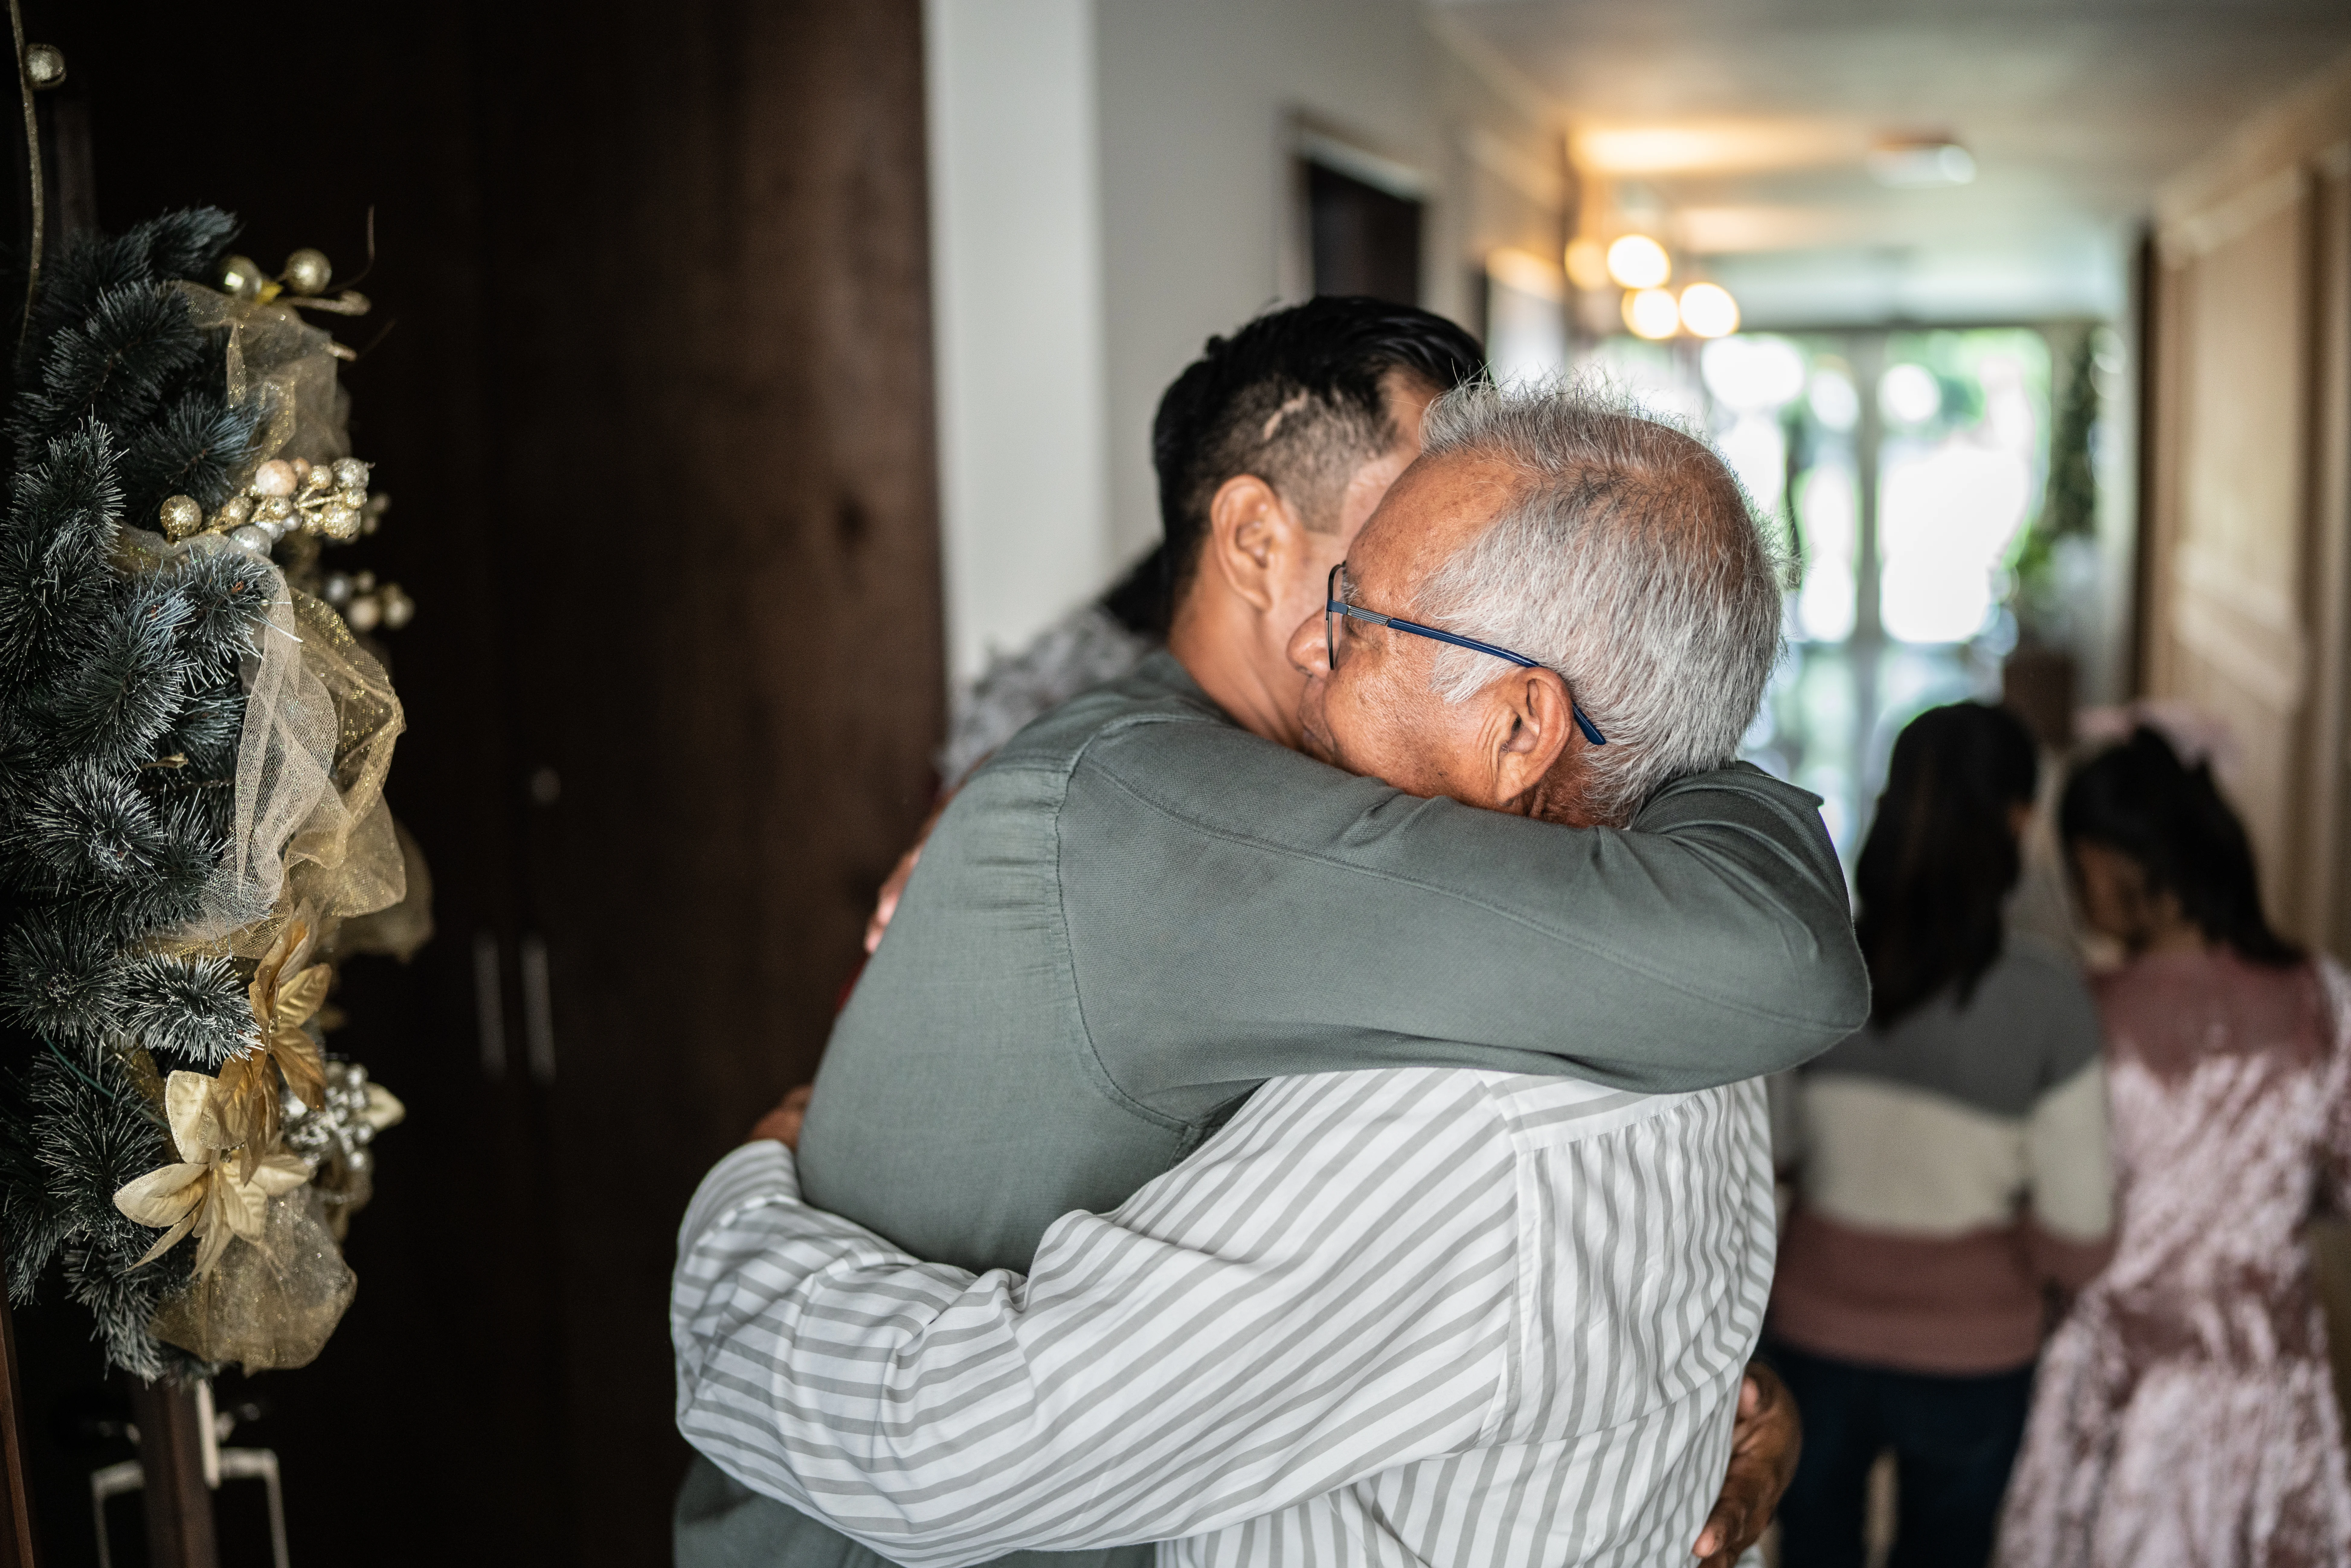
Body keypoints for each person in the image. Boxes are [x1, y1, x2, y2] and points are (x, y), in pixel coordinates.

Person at [674, 368, 1864, 1566]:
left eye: (1357, 620)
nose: (1308, 645)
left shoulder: (1440, 1112)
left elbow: (939, 1451)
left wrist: (743, 1206)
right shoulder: (1684, 1018)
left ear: (1517, 726)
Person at [1764, 702, 2111, 1568]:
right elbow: (2081, 1242)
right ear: (2020, 821)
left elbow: (1771, 1153)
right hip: (1973, 1354)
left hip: (1812, 1334)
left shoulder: (1813, 964)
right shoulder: (2052, 1000)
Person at [1998, 726, 2351, 1568]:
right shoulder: (2319, 997)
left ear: (2106, 863)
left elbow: (2039, 1193)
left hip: (2119, 1373)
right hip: (2268, 1368)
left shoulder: (2081, 1011)